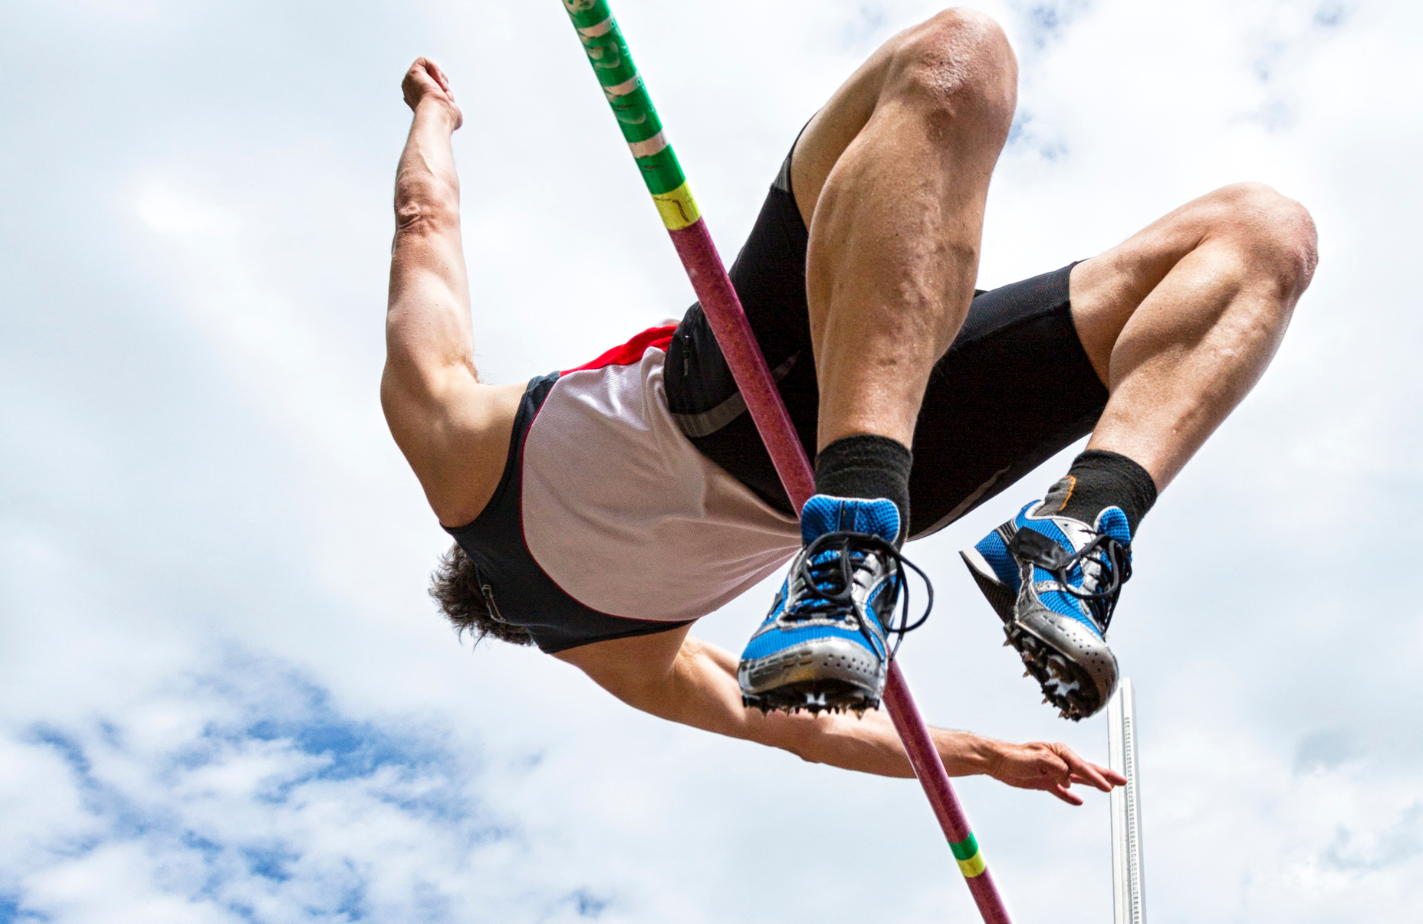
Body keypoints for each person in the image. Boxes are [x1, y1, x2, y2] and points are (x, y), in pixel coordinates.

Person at [383, 10, 1315, 804]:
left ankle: (1070, 525)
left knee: (1257, 234)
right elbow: (426, 224)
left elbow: (811, 730)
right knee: (980, 68)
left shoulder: (619, 658)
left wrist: (990, 758)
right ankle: (912, 512)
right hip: (756, 405)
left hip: (899, 462)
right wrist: (435, 112)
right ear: (457, 560)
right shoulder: (454, 451)